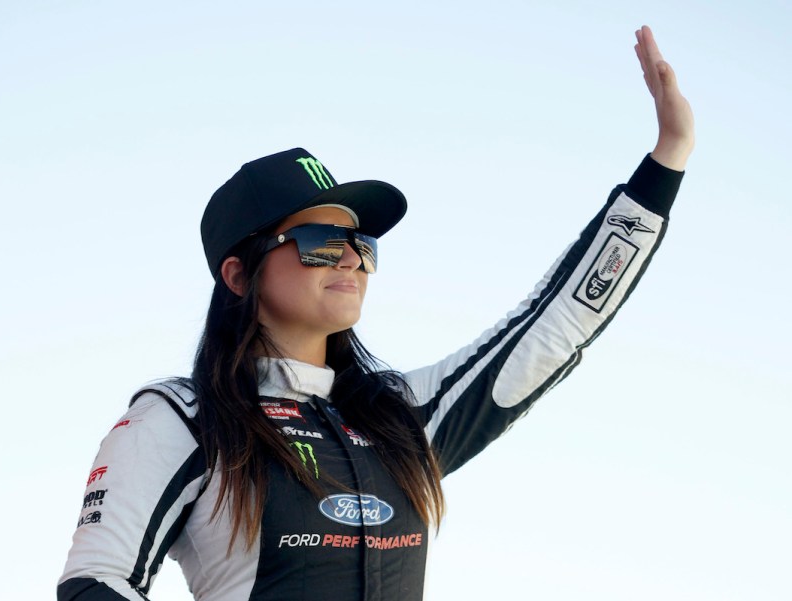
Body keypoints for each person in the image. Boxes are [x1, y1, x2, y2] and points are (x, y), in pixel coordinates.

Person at [58, 25, 694, 601]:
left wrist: (665, 164)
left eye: (361, 245)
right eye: (318, 243)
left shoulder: (401, 416)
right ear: (239, 274)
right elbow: (95, 583)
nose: (351, 261)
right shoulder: (179, 418)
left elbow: (555, 324)